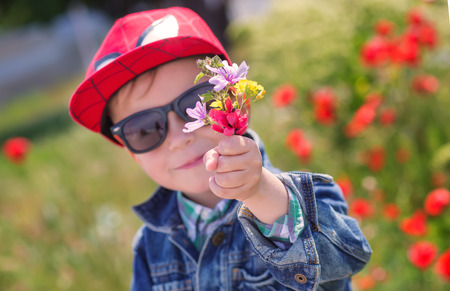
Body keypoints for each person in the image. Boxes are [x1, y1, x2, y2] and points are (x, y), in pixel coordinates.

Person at [69, 7, 372, 290]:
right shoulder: (150, 247)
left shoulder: (298, 199)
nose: (180, 136)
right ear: (131, 152)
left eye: (198, 103)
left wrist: (261, 193)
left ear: (239, 102)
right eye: (144, 129)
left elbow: (349, 257)